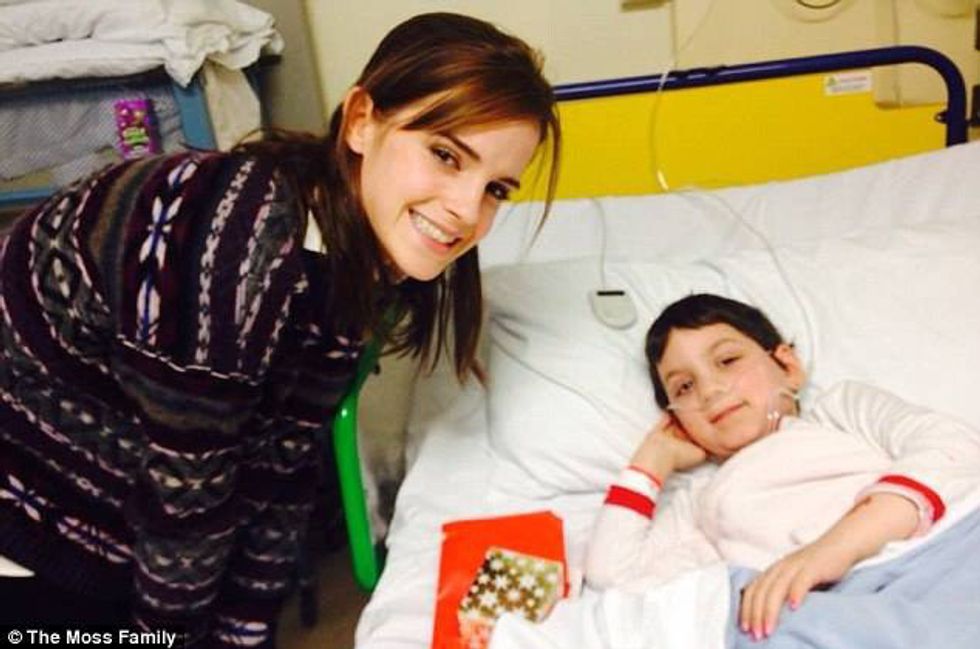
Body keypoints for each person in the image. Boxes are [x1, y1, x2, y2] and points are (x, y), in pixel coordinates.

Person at [0, 12, 559, 646]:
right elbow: (189, 496)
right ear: (361, 121)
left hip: (131, 514)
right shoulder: (229, 229)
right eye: (445, 155)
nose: (466, 210)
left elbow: (280, 472)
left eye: (496, 189)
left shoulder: (357, 268)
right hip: (27, 519)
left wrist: (243, 631)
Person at [585, 294, 980, 645]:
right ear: (675, 417)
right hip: (843, 609)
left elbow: (951, 446)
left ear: (787, 366)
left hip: (946, 549)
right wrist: (651, 461)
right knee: (751, 618)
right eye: (684, 388)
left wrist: (835, 547)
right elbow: (614, 576)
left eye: (727, 361)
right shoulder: (702, 500)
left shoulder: (838, 410)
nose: (710, 390)